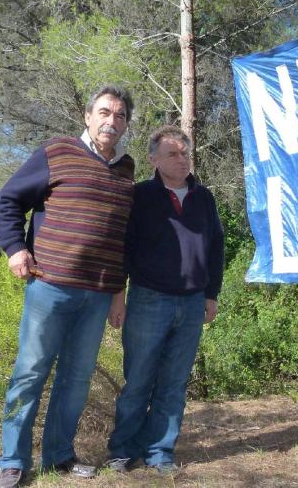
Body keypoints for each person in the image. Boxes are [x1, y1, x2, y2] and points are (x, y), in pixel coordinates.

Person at [0, 85, 135, 488]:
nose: (112, 120)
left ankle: (59, 456)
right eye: (105, 112)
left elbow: (120, 237)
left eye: (121, 115)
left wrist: (118, 292)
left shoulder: (127, 170)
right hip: (50, 286)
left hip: (98, 294)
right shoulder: (57, 152)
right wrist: (15, 250)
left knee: (76, 377)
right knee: (30, 373)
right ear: (88, 117)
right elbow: (8, 200)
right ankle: (13, 461)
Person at [104, 125, 224, 475]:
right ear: (154, 159)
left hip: (191, 304)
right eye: (173, 153)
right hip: (147, 300)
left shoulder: (204, 197)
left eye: (185, 153)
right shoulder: (139, 195)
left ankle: (160, 452)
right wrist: (118, 296)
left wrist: (211, 294)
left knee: (173, 383)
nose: (182, 159)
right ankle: (123, 450)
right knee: (138, 380)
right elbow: (122, 249)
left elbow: (216, 247)